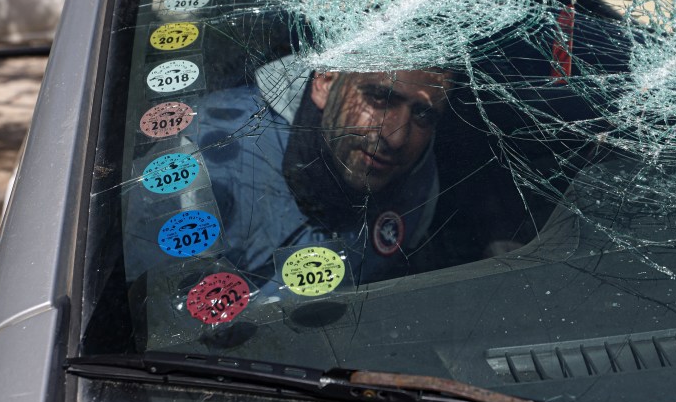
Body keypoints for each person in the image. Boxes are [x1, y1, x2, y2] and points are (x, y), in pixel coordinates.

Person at [137, 56, 455, 286]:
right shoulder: (206, 153)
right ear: (325, 82)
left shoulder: (418, 181)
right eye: (380, 98)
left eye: (423, 115)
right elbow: (155, 311)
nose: (396, 137)